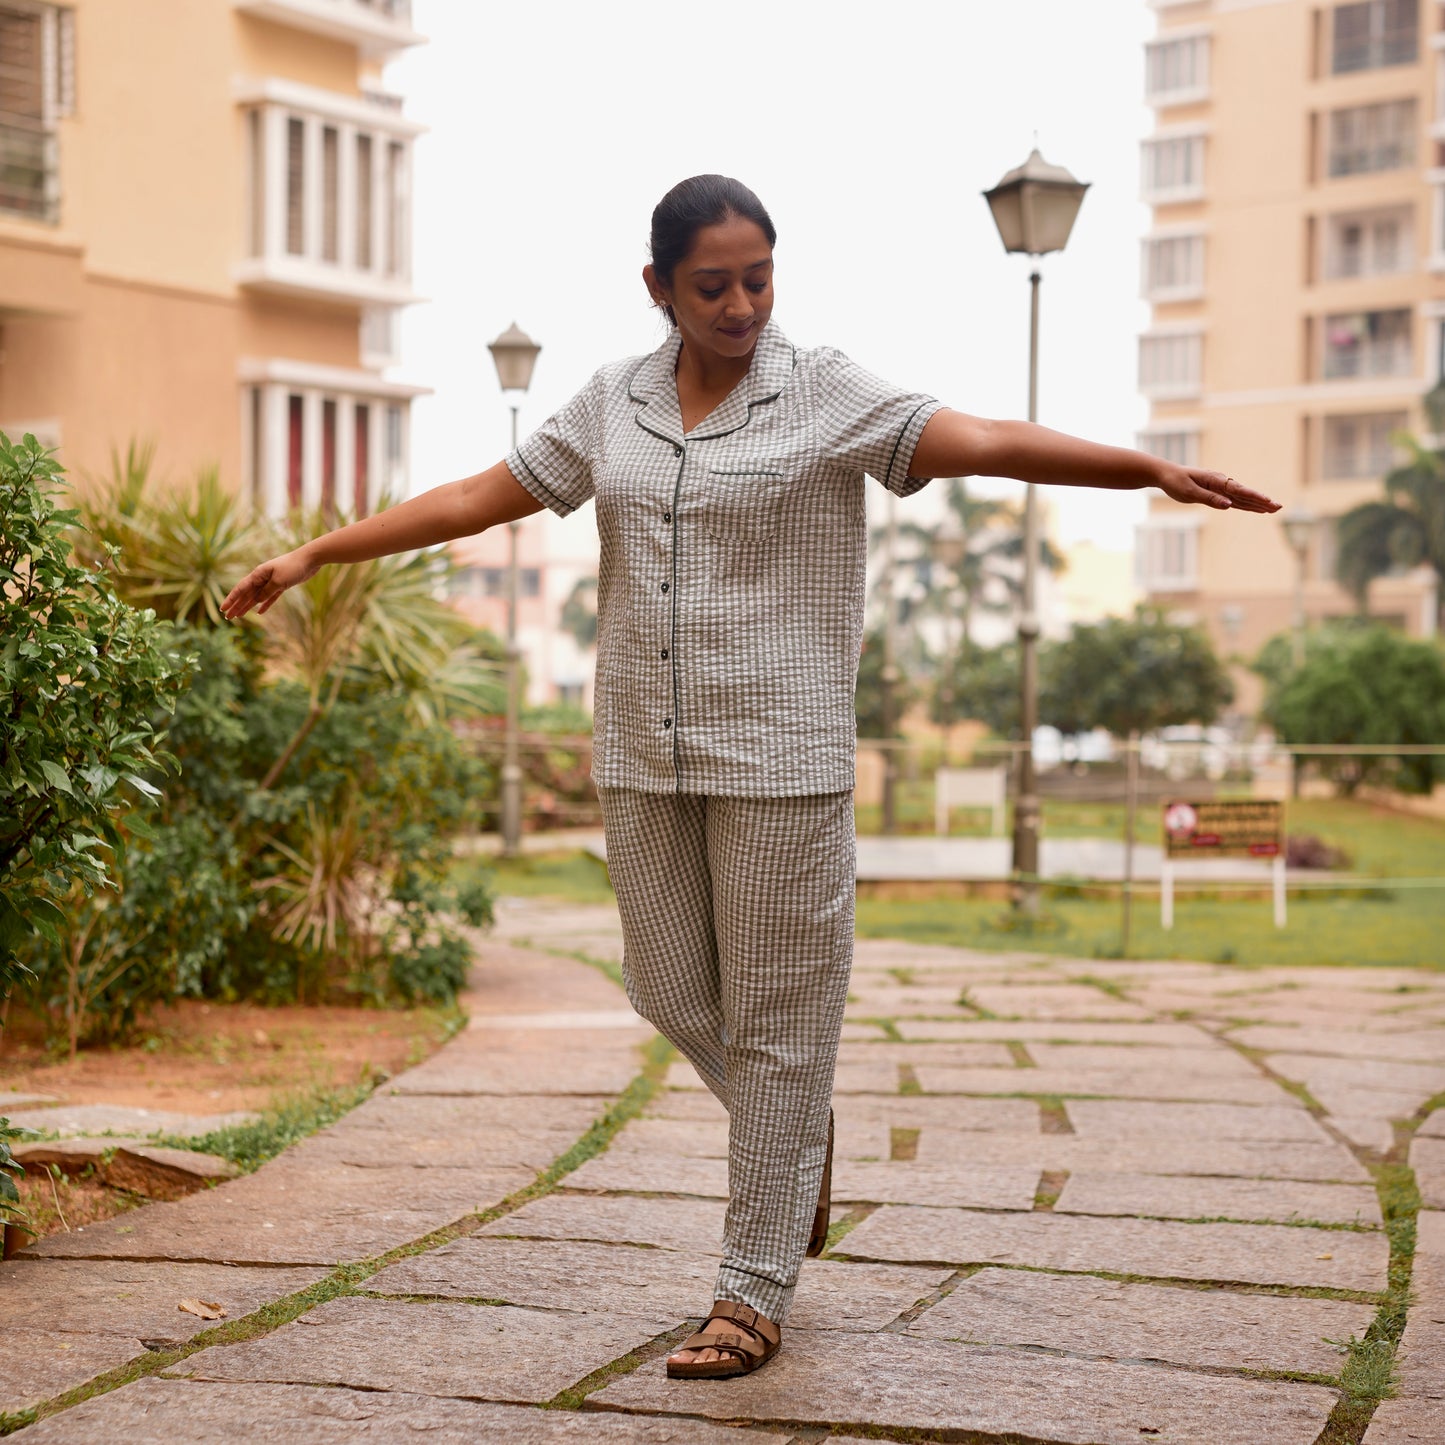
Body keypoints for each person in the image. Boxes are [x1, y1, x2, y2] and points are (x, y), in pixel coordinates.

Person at [222, 173, 1279, 1380]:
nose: (738, 305)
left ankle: (750, 1287)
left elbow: (978, 437)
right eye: (712, 284)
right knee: (668, 985)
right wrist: (314, 549)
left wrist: (1140, 467)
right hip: (641, 747)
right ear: (658, 286)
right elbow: (480, 493)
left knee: (780, 1027)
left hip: (781, 756)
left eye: (758, 278)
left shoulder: (821, 389)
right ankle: (797, 1134)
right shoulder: (611, 402)